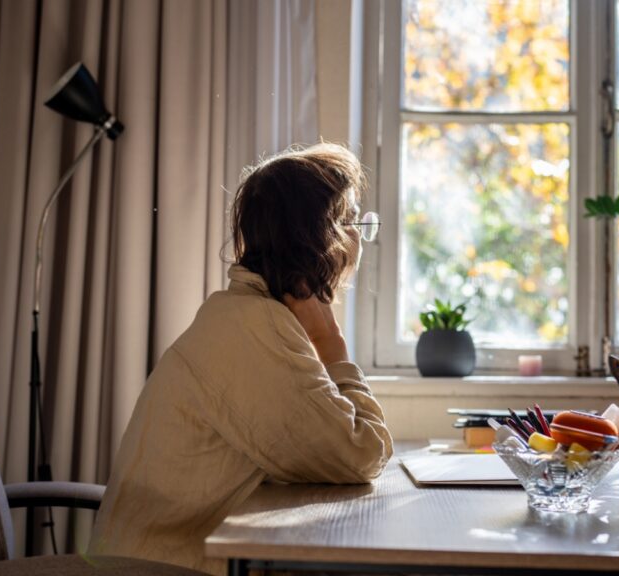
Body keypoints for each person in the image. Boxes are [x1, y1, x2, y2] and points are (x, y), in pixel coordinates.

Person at [89, 143, 393, 575]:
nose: (361, 238)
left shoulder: (248, 315)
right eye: (355, 222)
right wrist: (331, 343)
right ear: (321, 237)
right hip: (162, 566)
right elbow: (361, 454)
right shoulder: (257, 328)